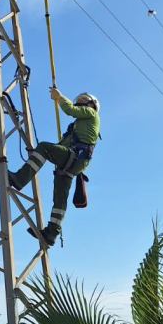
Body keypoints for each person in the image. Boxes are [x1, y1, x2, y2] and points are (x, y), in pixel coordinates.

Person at [8, 87, 100, 247]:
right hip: (75, 162)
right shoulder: (79, 126)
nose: (80, 103)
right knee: (60, 198)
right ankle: (52, 232)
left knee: (44, 147)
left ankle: (19, 179)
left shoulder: (91, 114)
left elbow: (69, 109)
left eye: (83, 100)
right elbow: (63, 145)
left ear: (91, 104)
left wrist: (60, 97)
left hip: (74, 157)